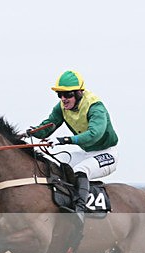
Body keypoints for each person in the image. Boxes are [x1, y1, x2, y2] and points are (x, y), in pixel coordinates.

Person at [27, 70, 119, 233]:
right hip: (85, 152)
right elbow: (49, 125)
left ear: (79, 92)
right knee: (55, 162)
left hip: (107, 153)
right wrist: (33, 131)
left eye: (67, 94)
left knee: (81, 170)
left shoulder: (95, 107)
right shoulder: (62, 107)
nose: (63, 99)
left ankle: (79, 211)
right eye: (60, 95)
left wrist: (65, 140)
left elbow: (94, 135)